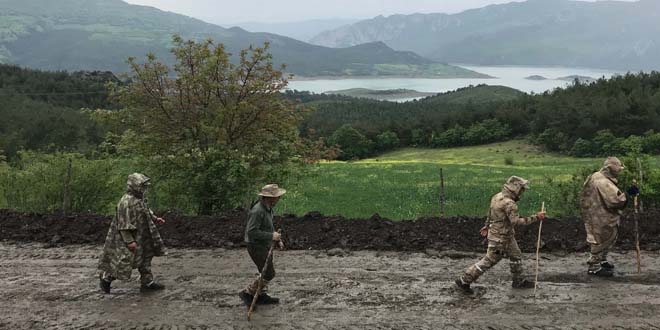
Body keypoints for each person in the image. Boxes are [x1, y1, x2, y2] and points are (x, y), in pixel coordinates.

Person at [455, 176, 546, 294]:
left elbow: (490, 212)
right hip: (500, 239)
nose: (522, 193)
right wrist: (536, 217)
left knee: (516, 255)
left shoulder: (496, 196)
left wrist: (486, 225)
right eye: (522, 190)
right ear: (516, 189)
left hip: (506, 236)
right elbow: (516, 222)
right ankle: (464, 281)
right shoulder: (510, 204)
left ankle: (518, 281)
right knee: (490, 260)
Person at [98, 173, 167, 293]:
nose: (145, 189)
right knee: (124, 262)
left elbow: (146, 210)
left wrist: (155, 218)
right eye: (142, 186)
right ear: (134, 186)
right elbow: (123, 225)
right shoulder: (126, 202)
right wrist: (129, 241)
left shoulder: (139, 198)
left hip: (143, 235)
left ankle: (147, 282)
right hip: (130, 238)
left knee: (146, 258)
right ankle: (106, 279)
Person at [238, 184, 286, 307]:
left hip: (264, 245)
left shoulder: (268, 208)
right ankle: (248, 293)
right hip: (255, 246)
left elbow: (268, 226)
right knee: (269, 273)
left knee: (264, 272)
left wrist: (277, 239)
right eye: (277, 196)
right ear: (269, 198)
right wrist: (271, 236)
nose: (279, 198)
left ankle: (259, 295)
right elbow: (252, 232)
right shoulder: (257, 211)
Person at [580, 157, 627, 277]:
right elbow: (616, 200)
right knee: (600, 239)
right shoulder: (602, 182)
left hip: (595, 211)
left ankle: (602, 260)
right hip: (600, 214)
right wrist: (628, 195)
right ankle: (594, 266)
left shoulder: (596, 175)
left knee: (607, 237)